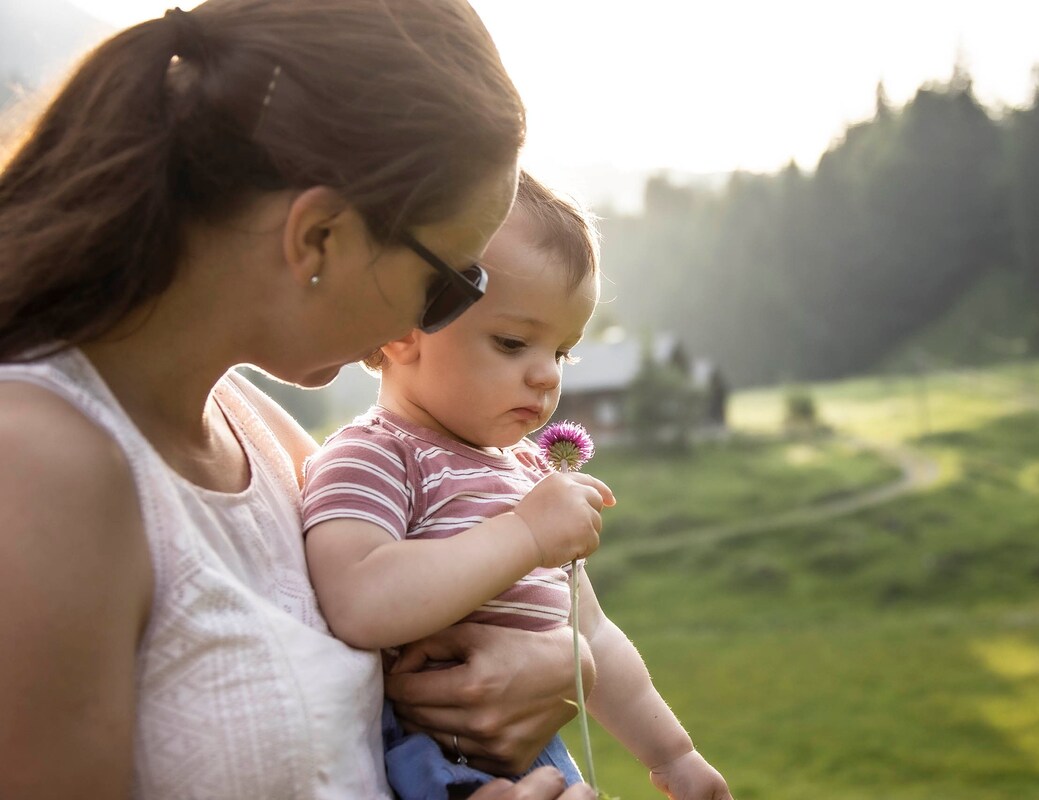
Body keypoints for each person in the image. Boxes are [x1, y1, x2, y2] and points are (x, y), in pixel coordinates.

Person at [0, 2, 600, 798]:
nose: (435, 326)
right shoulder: (39, 466)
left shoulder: (274, 446)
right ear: (318, 235)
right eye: (450, 284)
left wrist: (563, 667)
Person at [302, 172, 733, 800]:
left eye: (562, 352)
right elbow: (357, 598)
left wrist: (674, 755)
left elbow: (592, 636)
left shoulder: (529, 473)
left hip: (538, 751)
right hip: (433, 761)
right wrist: (527, 533)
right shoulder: (375, 455)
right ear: (402, 329)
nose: (544, 376)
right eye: (512, 342)